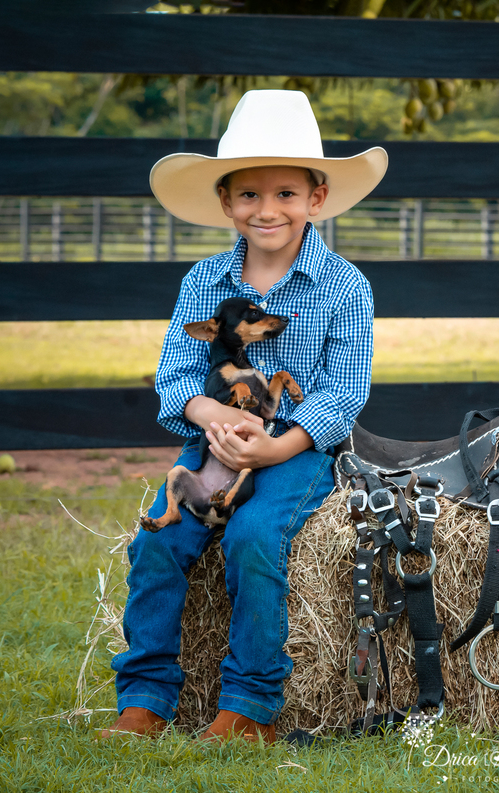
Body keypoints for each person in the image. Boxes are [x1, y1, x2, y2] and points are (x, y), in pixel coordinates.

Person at [99, 90, 387, 743]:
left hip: (297, 452)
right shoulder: (203, 281)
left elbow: (343, 392)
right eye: (249, 195)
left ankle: (249, 706)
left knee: (254, 539)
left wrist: (276, 449)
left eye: (286, 193)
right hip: (214, 444)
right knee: (157, 544)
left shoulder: (345, 285)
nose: (268, 209)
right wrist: (211, 419)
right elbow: (174, 376)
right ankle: (144, 697)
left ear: (317, 198)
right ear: (227, 203)